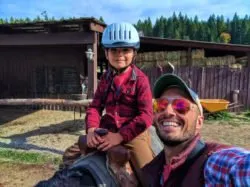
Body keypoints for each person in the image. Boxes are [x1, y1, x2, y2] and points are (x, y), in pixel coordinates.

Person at [62, 22, 154, 185]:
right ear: (106, 52)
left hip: (132, 134)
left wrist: (120, 136)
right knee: (69, 156)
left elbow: (146, 116)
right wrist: (91, 130)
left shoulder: (141, 80)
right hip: (106, 130)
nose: (120, 55)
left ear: (134, 52)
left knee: (149, 174)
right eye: (114, 50)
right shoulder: (106, 78)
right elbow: (96, 107)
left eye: (125, 50)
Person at [141, 73, 250, 187]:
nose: (168, 111)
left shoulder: (212, 163)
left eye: (181, 105)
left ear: (199, 122)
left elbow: (241, 168)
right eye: (161, 105)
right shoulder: (153, 168)